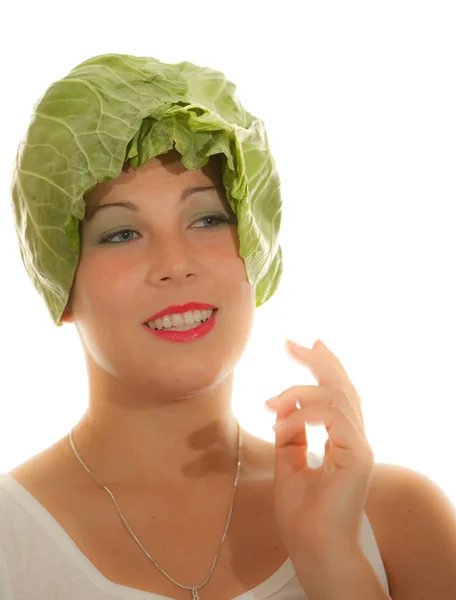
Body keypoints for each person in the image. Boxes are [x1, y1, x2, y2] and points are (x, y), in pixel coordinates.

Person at [1, 53, 455, 600]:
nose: (175, 262)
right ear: (59, 276)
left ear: (256, 252)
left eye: (209, 218)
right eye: (121, 233)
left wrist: (331, 559)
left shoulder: (396, 519)